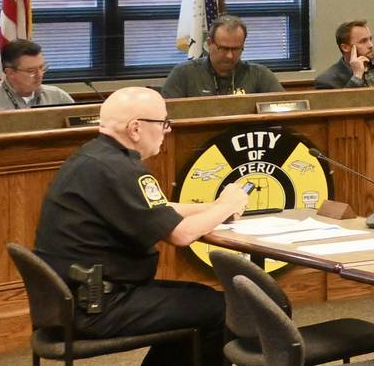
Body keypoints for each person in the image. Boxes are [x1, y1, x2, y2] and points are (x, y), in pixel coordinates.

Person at [34, 86, 252, 365]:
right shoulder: (121, 169)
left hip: (71, 300)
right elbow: (181, 235)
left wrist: (215, 205)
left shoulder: (95, 157)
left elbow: (159, 210)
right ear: (135, 128)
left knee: (201, 298)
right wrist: (226, 207)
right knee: (221, 310)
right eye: (163, 123)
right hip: (98, 306)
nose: (167, 130)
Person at [161, 15, 282, 97]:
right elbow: (166, 116)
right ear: (209, 43)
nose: (229, 56)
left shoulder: (259, 74)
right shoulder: (183, 74)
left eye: (236, 49)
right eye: (223, 48)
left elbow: (285, 108)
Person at [0, 39, 75, 110]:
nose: (39, 75)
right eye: (31, 71)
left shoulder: (57, 96)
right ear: (10, 73)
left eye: (41, 68)